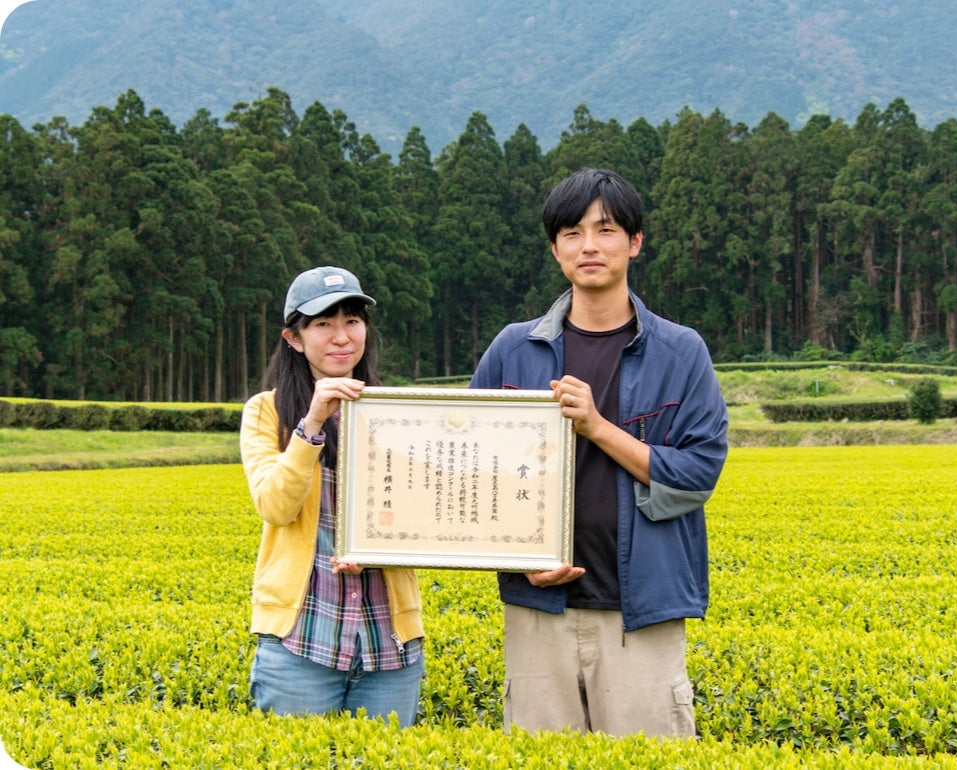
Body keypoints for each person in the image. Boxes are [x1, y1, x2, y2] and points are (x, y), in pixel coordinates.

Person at [470, 168, 728, 737]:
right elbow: (472, 473)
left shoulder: (681, 352)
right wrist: (520, 561)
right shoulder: (513, 349)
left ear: (634, 243)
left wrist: (598, 426)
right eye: (571, 232)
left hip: (640, 612)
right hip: (538, 611)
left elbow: (697, 472)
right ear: (555, 249)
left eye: (605, 230)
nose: (589, 245)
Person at [240, 265, 425, 724]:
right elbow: (274, 505)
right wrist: (313, 423)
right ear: (294, 338)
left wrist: (381, 550)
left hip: (389, 645)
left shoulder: (399, 413)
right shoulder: (266, 411)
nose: (341, 336)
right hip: (301, 642)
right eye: (323, 324)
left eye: (352, 321)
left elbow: (423, 517)